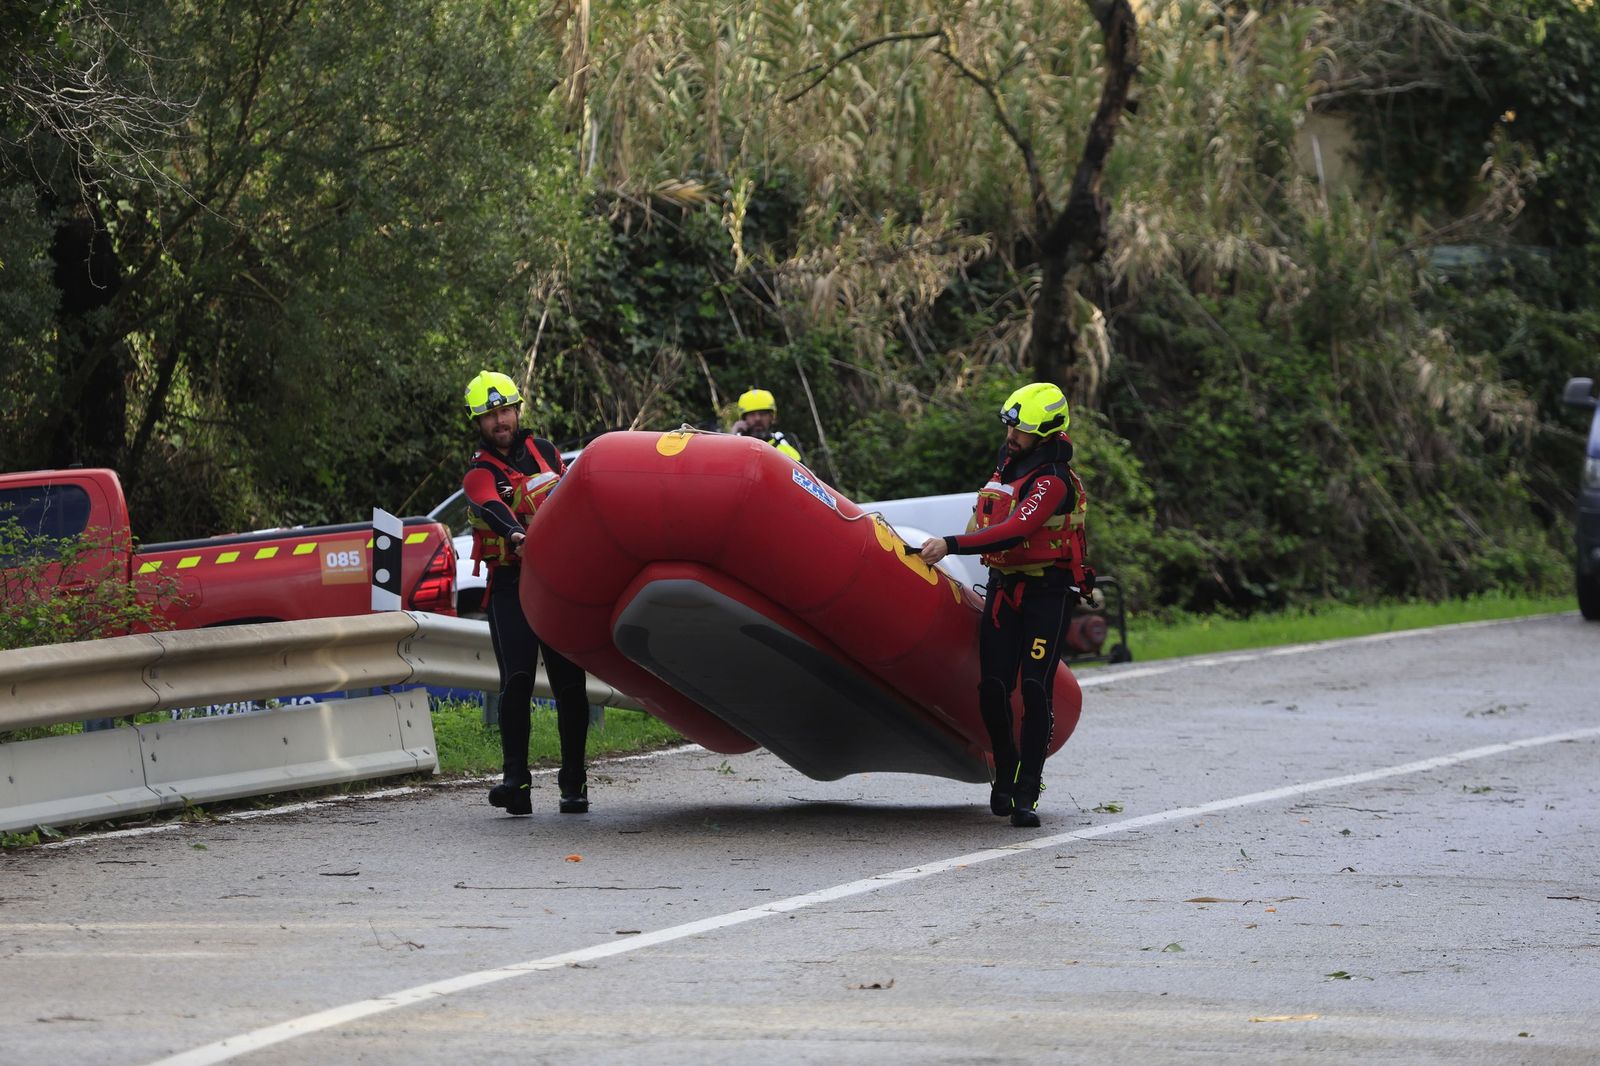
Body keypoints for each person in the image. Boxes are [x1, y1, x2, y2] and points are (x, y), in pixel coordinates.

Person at [919, 382, 1092, 829]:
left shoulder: (1052, 481)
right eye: (1010, 427)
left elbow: (1016, 529)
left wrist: (951, 545)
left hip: (1046, 596)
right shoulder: (1009, 461)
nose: (1011, 436)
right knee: (993, 687)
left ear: (1048, 434)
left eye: (1021, 431)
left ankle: (1027, 789)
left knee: (1034, 688)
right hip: (1004, 590)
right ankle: (1006, 768)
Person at [460, 370, 592, 816]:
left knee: (570, 686)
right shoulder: (479, 472)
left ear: (518, 411)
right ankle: (515, 783)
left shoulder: (548, 454)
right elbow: (487, 504)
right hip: (511, 584)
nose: (500, 421)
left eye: (505, 411)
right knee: (516, 682)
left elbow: (579, 495)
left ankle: (574, 784)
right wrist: (517, 534)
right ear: (478, 423)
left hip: (556, 582)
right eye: (490, 415)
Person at [731, 387, 803, 463]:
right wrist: (733, 434)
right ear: (743, 419)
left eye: (763, 414)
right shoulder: (737, 446)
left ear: (772, 417)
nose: (757, 419)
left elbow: (801, 473)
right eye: (752, 414)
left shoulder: (786, 442)